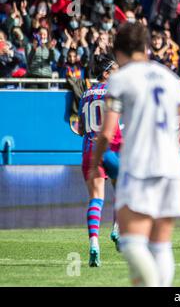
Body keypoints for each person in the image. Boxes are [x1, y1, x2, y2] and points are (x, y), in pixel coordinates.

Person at [90, 23, 180, 287]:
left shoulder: (120, 79)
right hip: (171, 167)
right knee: (160, 245)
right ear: (145, 47)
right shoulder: (169, 77)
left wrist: (94, 163)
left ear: (119, 51)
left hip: (139, 166)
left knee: (131, 243)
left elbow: (106, 133)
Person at [78, 54, 122, 266]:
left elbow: (80, 128)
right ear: (106, 74)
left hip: (89, 150)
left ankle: (93, 244)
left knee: (96, 199)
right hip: (110, 148)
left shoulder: (86, 93)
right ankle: (116, 229)